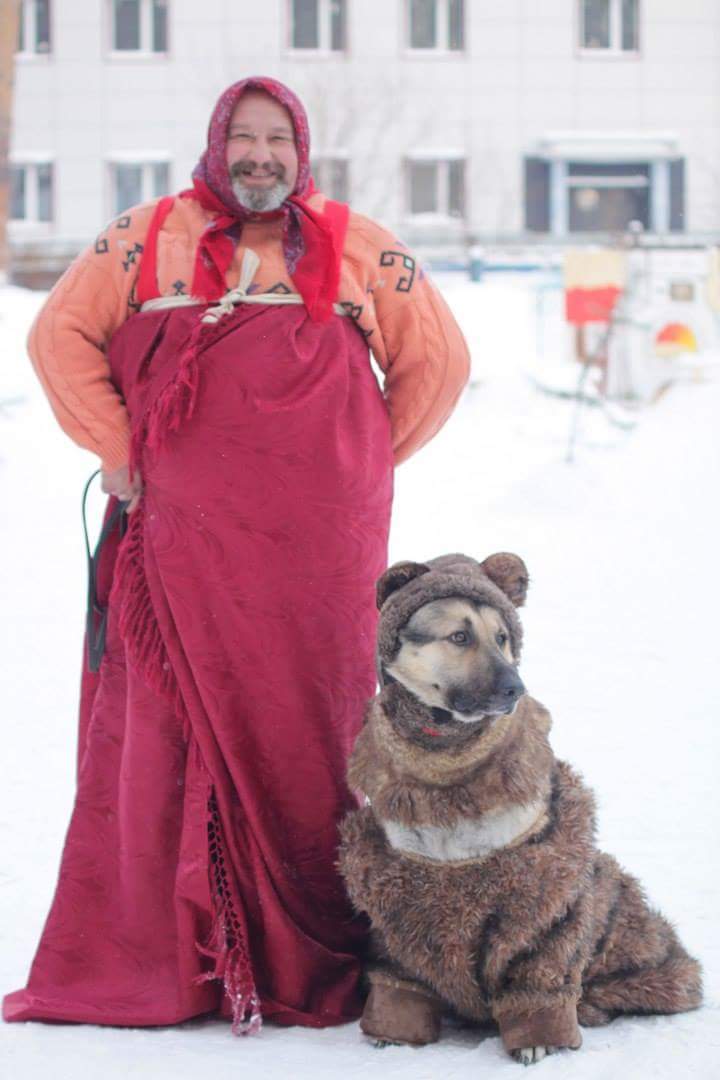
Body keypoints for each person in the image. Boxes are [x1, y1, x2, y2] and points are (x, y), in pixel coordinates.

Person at [3, 76, 470, 1035]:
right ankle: (171, 964)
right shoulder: (144, 234)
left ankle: (305, 945)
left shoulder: (361, 241)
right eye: (244, 139)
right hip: (176, 547)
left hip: (317, 553)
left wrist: (361, 462)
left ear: (302, 152)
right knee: (168, 728)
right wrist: (123, 451)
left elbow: (440, 359)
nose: (261, 157)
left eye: (278, 141)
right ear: (217, 144)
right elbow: (59, 339)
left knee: (313, 726)